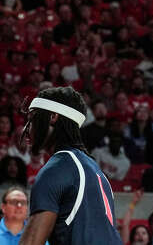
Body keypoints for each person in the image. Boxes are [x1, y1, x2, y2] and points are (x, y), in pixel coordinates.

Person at [17, 87, 122, 245]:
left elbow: (31, 242)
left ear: (53, 117)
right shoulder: (94, 168)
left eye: (32, 119)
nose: (26, 129)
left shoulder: (57, 169)